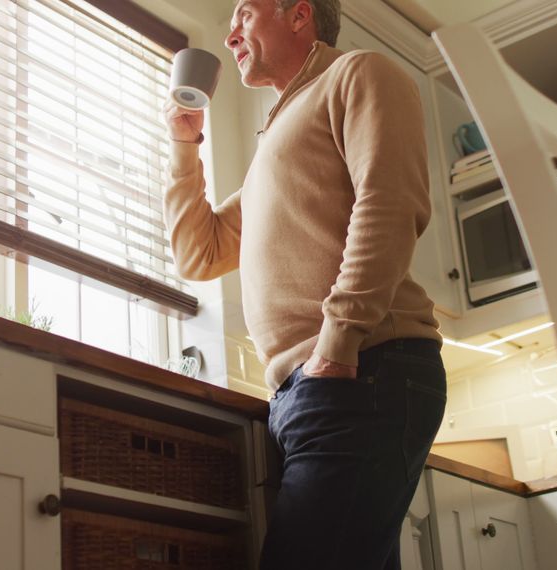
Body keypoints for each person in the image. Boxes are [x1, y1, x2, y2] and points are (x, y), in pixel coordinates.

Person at [162, 0, 446, 568]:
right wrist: (184, 145)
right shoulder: (275, 140)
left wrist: (337, 345)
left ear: (298, 14)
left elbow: (389, 207)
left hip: (363, 368)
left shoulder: (359, 74)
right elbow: (201, 252)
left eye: (245, 13)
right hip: (319, 386)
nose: (230, 31)